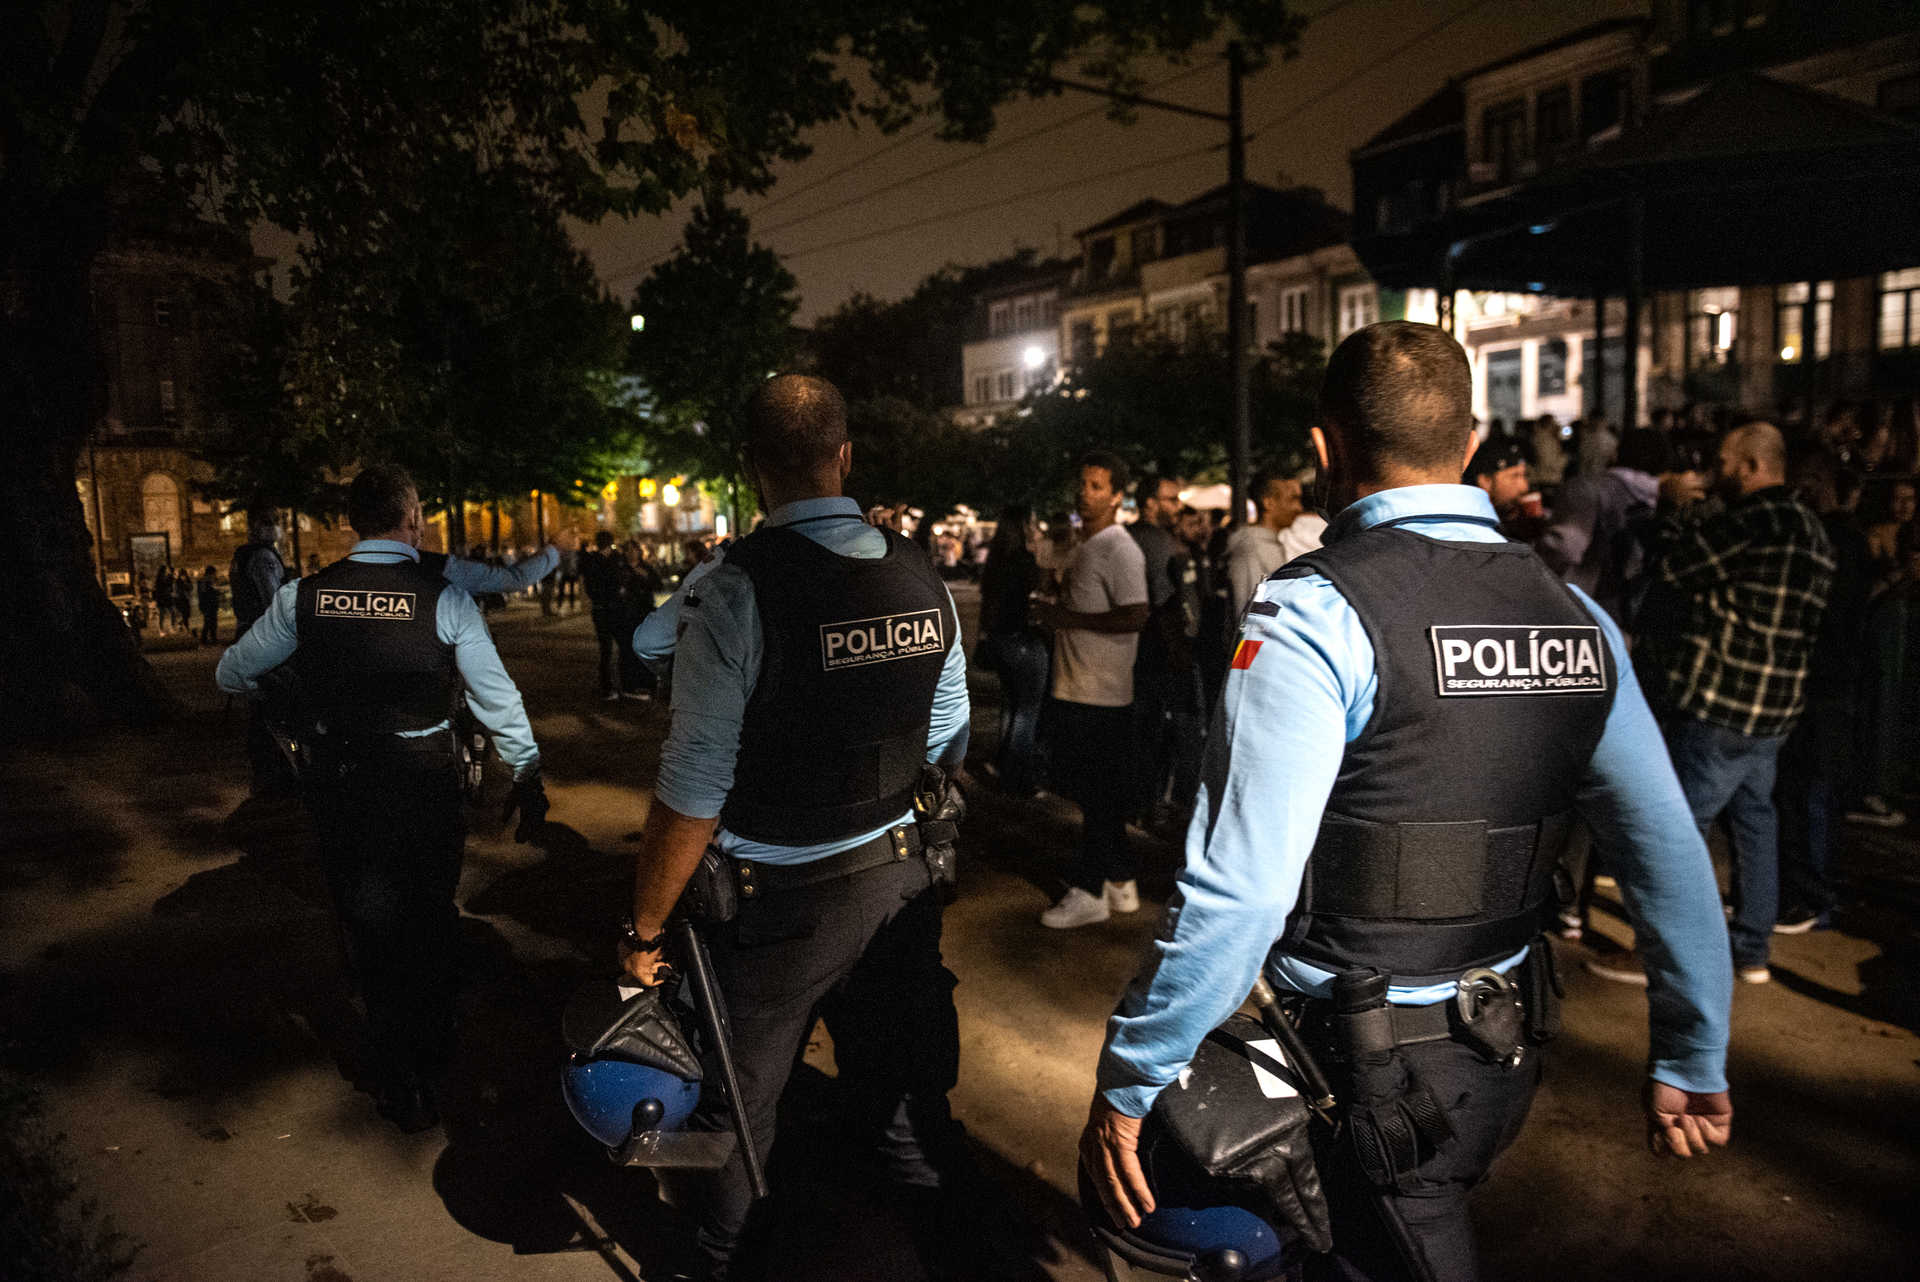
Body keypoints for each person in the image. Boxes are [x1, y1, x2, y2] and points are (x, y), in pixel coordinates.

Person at [1080, 322, 1733, 1282]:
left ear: (1323, 448)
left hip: (1362, 1076)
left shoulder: (1314, 615)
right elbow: (1667, 852)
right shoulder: (1576, 617)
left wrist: (1133, 1076)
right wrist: (1691, 1050)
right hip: (1500, 1052)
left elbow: (1243, 892)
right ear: (1470, 445)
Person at [614, 375, 974, 1280]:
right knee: (897, 1092)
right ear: (845, 455)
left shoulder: (735, 591)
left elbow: (692, 790)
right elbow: (949, 728)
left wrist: (643, 930)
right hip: (897, 878)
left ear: (752, 468)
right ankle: (947, 1248)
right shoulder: (917, 570)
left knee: (735, 1110)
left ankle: (715, 1259)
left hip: (778, 911)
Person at [215, 465, 548, 1133]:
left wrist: (295, 705)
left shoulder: (304, 598)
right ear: (412, 519)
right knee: (427, 914)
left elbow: (232, 671)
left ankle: (398, 1071)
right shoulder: (443, 596)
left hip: (342, 782)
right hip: (424, 778)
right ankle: (431, 1048)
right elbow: (496, 695)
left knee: (369, 925)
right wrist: (527, 771)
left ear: (349, 524)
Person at [1618, 422, 1834, 986]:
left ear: (1749, 466)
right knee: (1756, 825)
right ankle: (1751, 951)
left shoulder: (1752, 524)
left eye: (1723, 462)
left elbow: (1676, 568)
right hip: (1776, 709)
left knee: (1678, 831)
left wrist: (1671, 510)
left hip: (1721, 706)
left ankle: (1663, 958)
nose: (1716, 472)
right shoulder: (1811, 529)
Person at [1037, 452, 1151, 929]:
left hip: (1099, 695)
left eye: (1098, 486)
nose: (1086, 492)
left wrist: (1069, 618)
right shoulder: (1088, 544)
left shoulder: (1119, 548)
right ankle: (1120, 883)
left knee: (1094, 795)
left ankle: (1089, 892)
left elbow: (1136, 614)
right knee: (1101, 794)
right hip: (1080, 687)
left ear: (1118, 495)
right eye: (1083, 484)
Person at [1536, 428, 1671, 628]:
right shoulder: (1668, 496)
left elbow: (1564, 548)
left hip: (1585, 611)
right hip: (1637, 613)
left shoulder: (1587, 488)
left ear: (1617, 452)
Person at [1127, 474, 1193, 826]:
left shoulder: (1126, 538)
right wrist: (1179, 653)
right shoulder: (1160, 545)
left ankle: (1137, 802)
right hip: (1154, 649)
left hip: (1128, 650)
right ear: (1149, 502)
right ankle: (1149, 804)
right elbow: (1165, 606)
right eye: (1170, 499)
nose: (1177, 506)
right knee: (1152, 730)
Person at [976, 505, 1050, 798]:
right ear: (1022, 527)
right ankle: (1017, 776)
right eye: (1031, 522)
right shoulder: (1024, 560)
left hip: (999, 639)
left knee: (1011, 704)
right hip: (1020, 638)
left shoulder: (996, 560)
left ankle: (1002, 762)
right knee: (1027, 712)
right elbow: (1037, 598)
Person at [1222, 467, 1328, 621]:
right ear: (1269, 503)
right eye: (1292, 499)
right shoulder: (1250, 548)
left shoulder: (1270, 543)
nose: (1298, 508)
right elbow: (1248, 613)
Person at [580, 531, 628, 700]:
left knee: (606, 649)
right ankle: (622, 683)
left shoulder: (592, 561)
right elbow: (619, 581)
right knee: (620, 646)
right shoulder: (616, 560)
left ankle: (607, 686)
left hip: (601, 608)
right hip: (613, 607)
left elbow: (589, 585)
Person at [196, 566, 220, 644]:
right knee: (210, 622)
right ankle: (207, 639)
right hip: (209, 604)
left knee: (209, 622)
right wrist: (215, 590)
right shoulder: (206, 581)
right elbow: (206, 593)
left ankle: (207, 639)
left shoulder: (204, 581)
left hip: (208, 604)